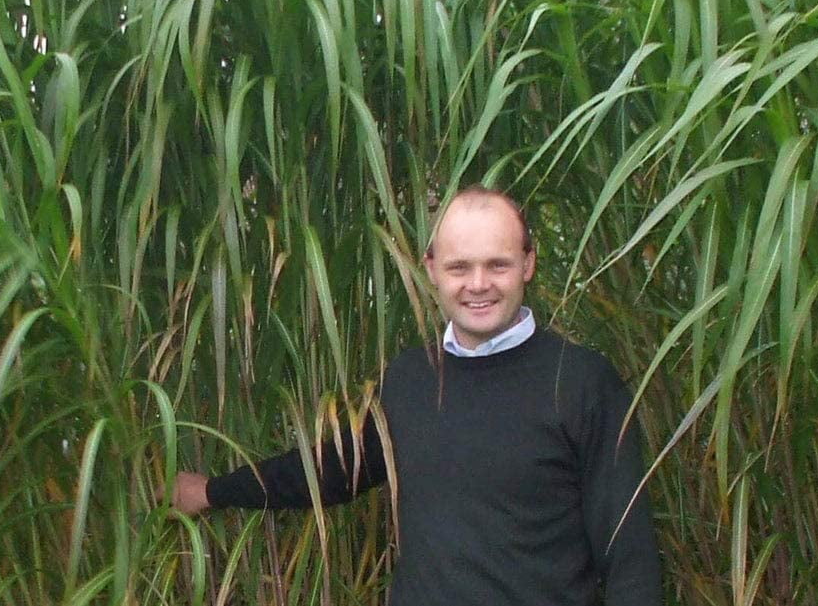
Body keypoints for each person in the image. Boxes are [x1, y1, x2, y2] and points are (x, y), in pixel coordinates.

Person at [171, 186, 662, 605]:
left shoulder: (582, 382)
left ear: (528, 264)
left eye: (498, 265)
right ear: (430, 268)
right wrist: (213, 490)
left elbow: (629, 552)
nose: (478, 285)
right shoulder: (409, 379)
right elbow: (328, 470)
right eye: (459, 267)